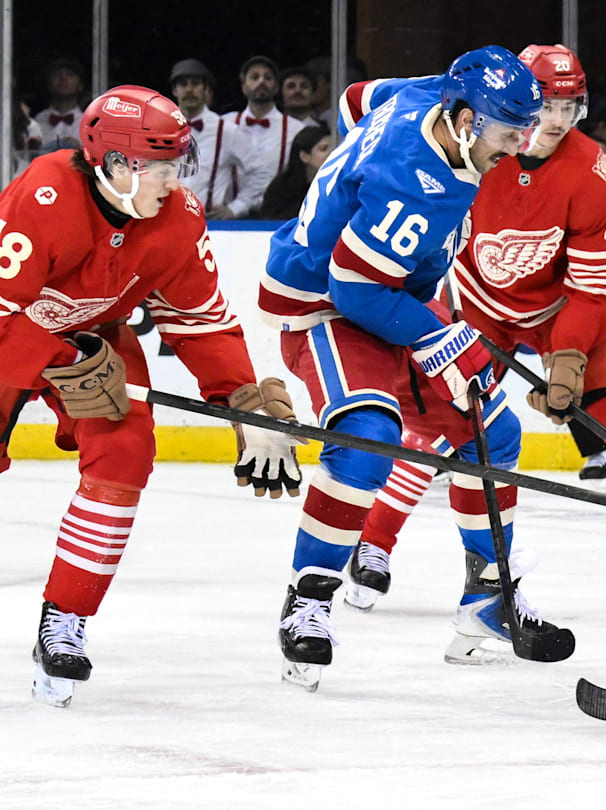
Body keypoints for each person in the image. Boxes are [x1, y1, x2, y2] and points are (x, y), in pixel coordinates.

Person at [347, 44, 606, 613]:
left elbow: (595, 286)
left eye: (569, 107)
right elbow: (371, 123)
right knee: (434, 427)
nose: (553, 121)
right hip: (476, 306)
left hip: (559, 312)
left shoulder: (595, 172)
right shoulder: (473, 150)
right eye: (545, 104)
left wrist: (569, 358)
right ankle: (372, 545)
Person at [258, 46, 554, 689]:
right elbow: (354, 289)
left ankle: (488, 601)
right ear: (469, 121)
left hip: (389, 289)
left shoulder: (429, 93)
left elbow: (354, 100)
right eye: (509, 132)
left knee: (493, 433)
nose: (520, 147)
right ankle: (308, 601)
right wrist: (445, 339)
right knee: (369, 442)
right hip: (325, 306)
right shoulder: (419, 178)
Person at [0, 85, 303, 707]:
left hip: (98, 341)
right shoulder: (43, 193)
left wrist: (242, 401)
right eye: (161, 166)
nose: (175, 180)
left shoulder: (177, 218)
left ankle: (66, 622)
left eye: (176, 164)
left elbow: (203, 322)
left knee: (127, 451)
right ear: (114, 164)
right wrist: (64, 359)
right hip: (23, 338)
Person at [210, 56, 308, 220]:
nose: (261, 81)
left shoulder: (296, 129)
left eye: (268, 77)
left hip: (279, 217)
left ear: (276, 87)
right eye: (254, 77)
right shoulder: (223, 125)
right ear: (243, 86)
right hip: (230, 218)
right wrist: (233, 209)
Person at [168, 58, 232, 213]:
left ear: (206, 90)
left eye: (195, 84)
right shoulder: (160, 128)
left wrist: (235, 208)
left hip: (212, 226)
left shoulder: (227, 130)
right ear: (174, 91)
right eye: (183, 84)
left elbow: (256, 173)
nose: (189, 90)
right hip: (167, 222)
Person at [257, 126, 331, 219]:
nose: (331, 153)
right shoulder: (280, 188)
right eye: (323, 149)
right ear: (304, 156)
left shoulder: (334, 183)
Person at [33, 58, 85, 153]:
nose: (63, 78)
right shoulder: (38, 121)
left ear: (80, 85)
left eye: (70, 74)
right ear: (48, 84)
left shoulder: (87, 123)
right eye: (56, 74)